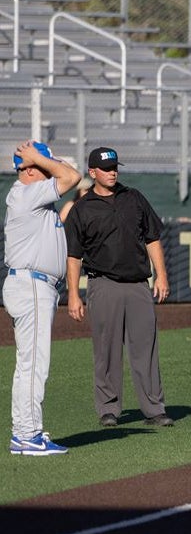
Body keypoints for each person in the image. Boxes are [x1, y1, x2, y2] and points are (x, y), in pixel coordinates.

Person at [64, 146, 174, 427]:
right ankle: (108, 409)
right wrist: (74, 294)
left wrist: (161, 275)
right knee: (106, 350)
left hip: (138, 283)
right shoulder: (82, 208)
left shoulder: (133, 198)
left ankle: (154, 408)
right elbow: (74, 256)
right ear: (92, 172)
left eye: (115, 167)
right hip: (103, 285)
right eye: (106, 168)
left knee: (145, 350)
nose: (113, 172)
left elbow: (152, 238)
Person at [4, 141, 82, 456]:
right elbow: (72, 177)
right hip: (32, 285)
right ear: (31, 168)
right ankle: (28, 434)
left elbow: (65, 174)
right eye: (43, 164)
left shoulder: (33, 198)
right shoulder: (26, 194)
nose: (50, 167)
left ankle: (24, 433)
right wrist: (37, 158)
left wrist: (41, 159)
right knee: (34, 364)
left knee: (29, 365)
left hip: (32, 284)